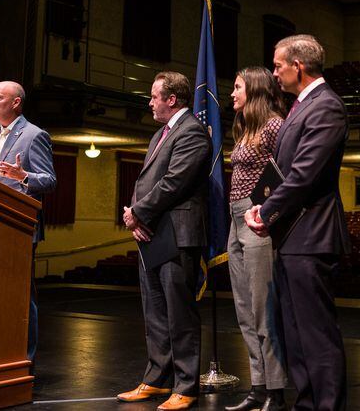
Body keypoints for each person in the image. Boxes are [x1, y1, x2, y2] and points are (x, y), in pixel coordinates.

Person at [246, 35, 351, 411]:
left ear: (298, 67)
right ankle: (307, 403)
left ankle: (326, 406)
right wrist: (265, 208)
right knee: (293, 332)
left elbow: (304, 175)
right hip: (292, 236)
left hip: (312, 234)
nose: (273, 73)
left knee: (316, 334)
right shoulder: (300, 107)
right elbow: (284, 171)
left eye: (277, 66)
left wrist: (265, 211)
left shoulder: (327, 107)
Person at [118, 71, 210, 411]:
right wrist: (136, 216)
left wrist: (138, 213)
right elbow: (147, 181)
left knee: (179, 313)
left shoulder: (192, 133)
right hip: (153, 233)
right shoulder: (161, 133)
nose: (150, 102)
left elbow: (175, 182)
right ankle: (157, 379)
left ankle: (186, 385)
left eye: (155, 96)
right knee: (154, 311)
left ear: (172, 99)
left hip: (178, 234)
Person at [0, 81, 56, 362]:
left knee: (20, 295)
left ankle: (24, 359)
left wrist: (23, 176)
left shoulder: (34, 135)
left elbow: (50, 180)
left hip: (19, 227)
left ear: (16, 102)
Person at [225, 67, 288, 411]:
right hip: (235, 222)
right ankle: (258, 387)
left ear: (255, 89)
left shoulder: (274, 125)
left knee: (264, 311)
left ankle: (276, 392)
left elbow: (287, 175)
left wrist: (266, 212)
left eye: (237, 87)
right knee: (245, 312)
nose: (232, 93)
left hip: (257, 221)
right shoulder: (244, 127)